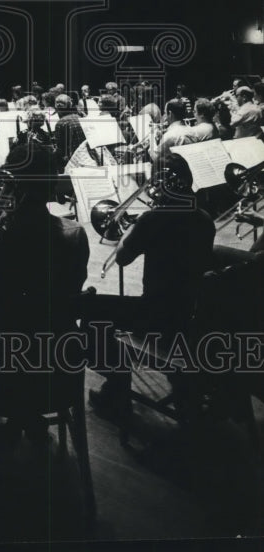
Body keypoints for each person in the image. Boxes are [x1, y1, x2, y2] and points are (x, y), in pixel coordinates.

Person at [0, 142, 90, 423]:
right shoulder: (76, 236)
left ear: (13, 184)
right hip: (61, 365)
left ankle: (13, 416)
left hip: (9, 368)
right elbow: (76, 283)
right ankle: (33, 419)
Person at [84, 158, 215, 417]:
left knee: (90, 312)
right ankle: (182, 386)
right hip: (191, 314)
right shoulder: (204, 219)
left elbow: (122, 258)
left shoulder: (152, 219)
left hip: (156, 315)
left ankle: (116, 388)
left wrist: (132, 226)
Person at [54, 94, 86, 167]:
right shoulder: (80, 117)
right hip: (85, 156)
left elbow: (60, 149)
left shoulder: (61, 123)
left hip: (72, 161)